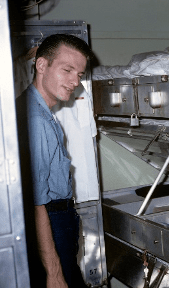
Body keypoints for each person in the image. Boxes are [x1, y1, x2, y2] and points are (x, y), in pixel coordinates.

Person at [16, 34, 92, 288]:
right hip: (50, 221)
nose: (75, 81)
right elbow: (35, 203)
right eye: (67, 70)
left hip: (56, 219)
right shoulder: (36, 121)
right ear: (41, 65)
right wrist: (54, 271)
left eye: (79, 74)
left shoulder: (37, 111)